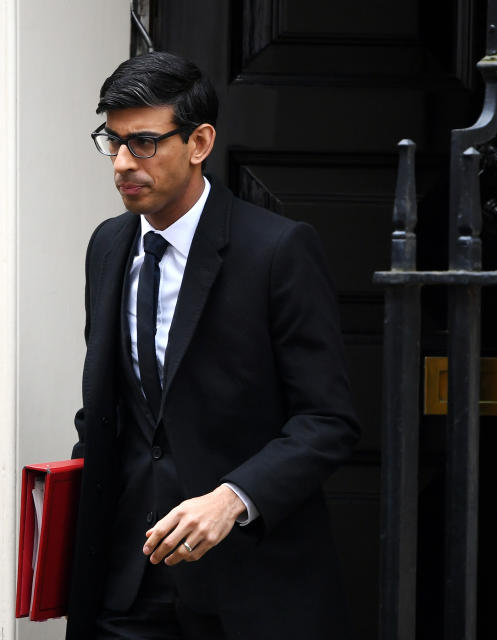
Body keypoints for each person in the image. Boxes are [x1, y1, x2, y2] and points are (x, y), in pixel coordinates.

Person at [66, 51, 359, 640]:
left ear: (199, 143)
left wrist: (232, 498)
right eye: (113, 141)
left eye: (144, 143)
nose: (124, 163)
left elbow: (328, 420)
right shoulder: (107, 245)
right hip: (124, 585)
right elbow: (109, 411)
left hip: (247, 589)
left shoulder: (277, 251)